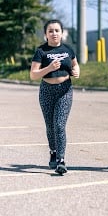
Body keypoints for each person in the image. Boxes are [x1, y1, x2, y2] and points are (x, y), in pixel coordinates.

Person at [30, 19, 80, 175]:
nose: (54, 33)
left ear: (62, 33)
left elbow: (75, 64)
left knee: (59, 125)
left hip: (65, 89)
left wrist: (77, 71)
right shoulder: (41, 51)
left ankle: (61, 160)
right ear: (46, 34)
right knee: (50, 126)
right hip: (46, 90)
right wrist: (49, 68)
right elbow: (33, 75)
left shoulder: (68, 49)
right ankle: (53, 150)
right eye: (50, 31)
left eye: (57, 30)